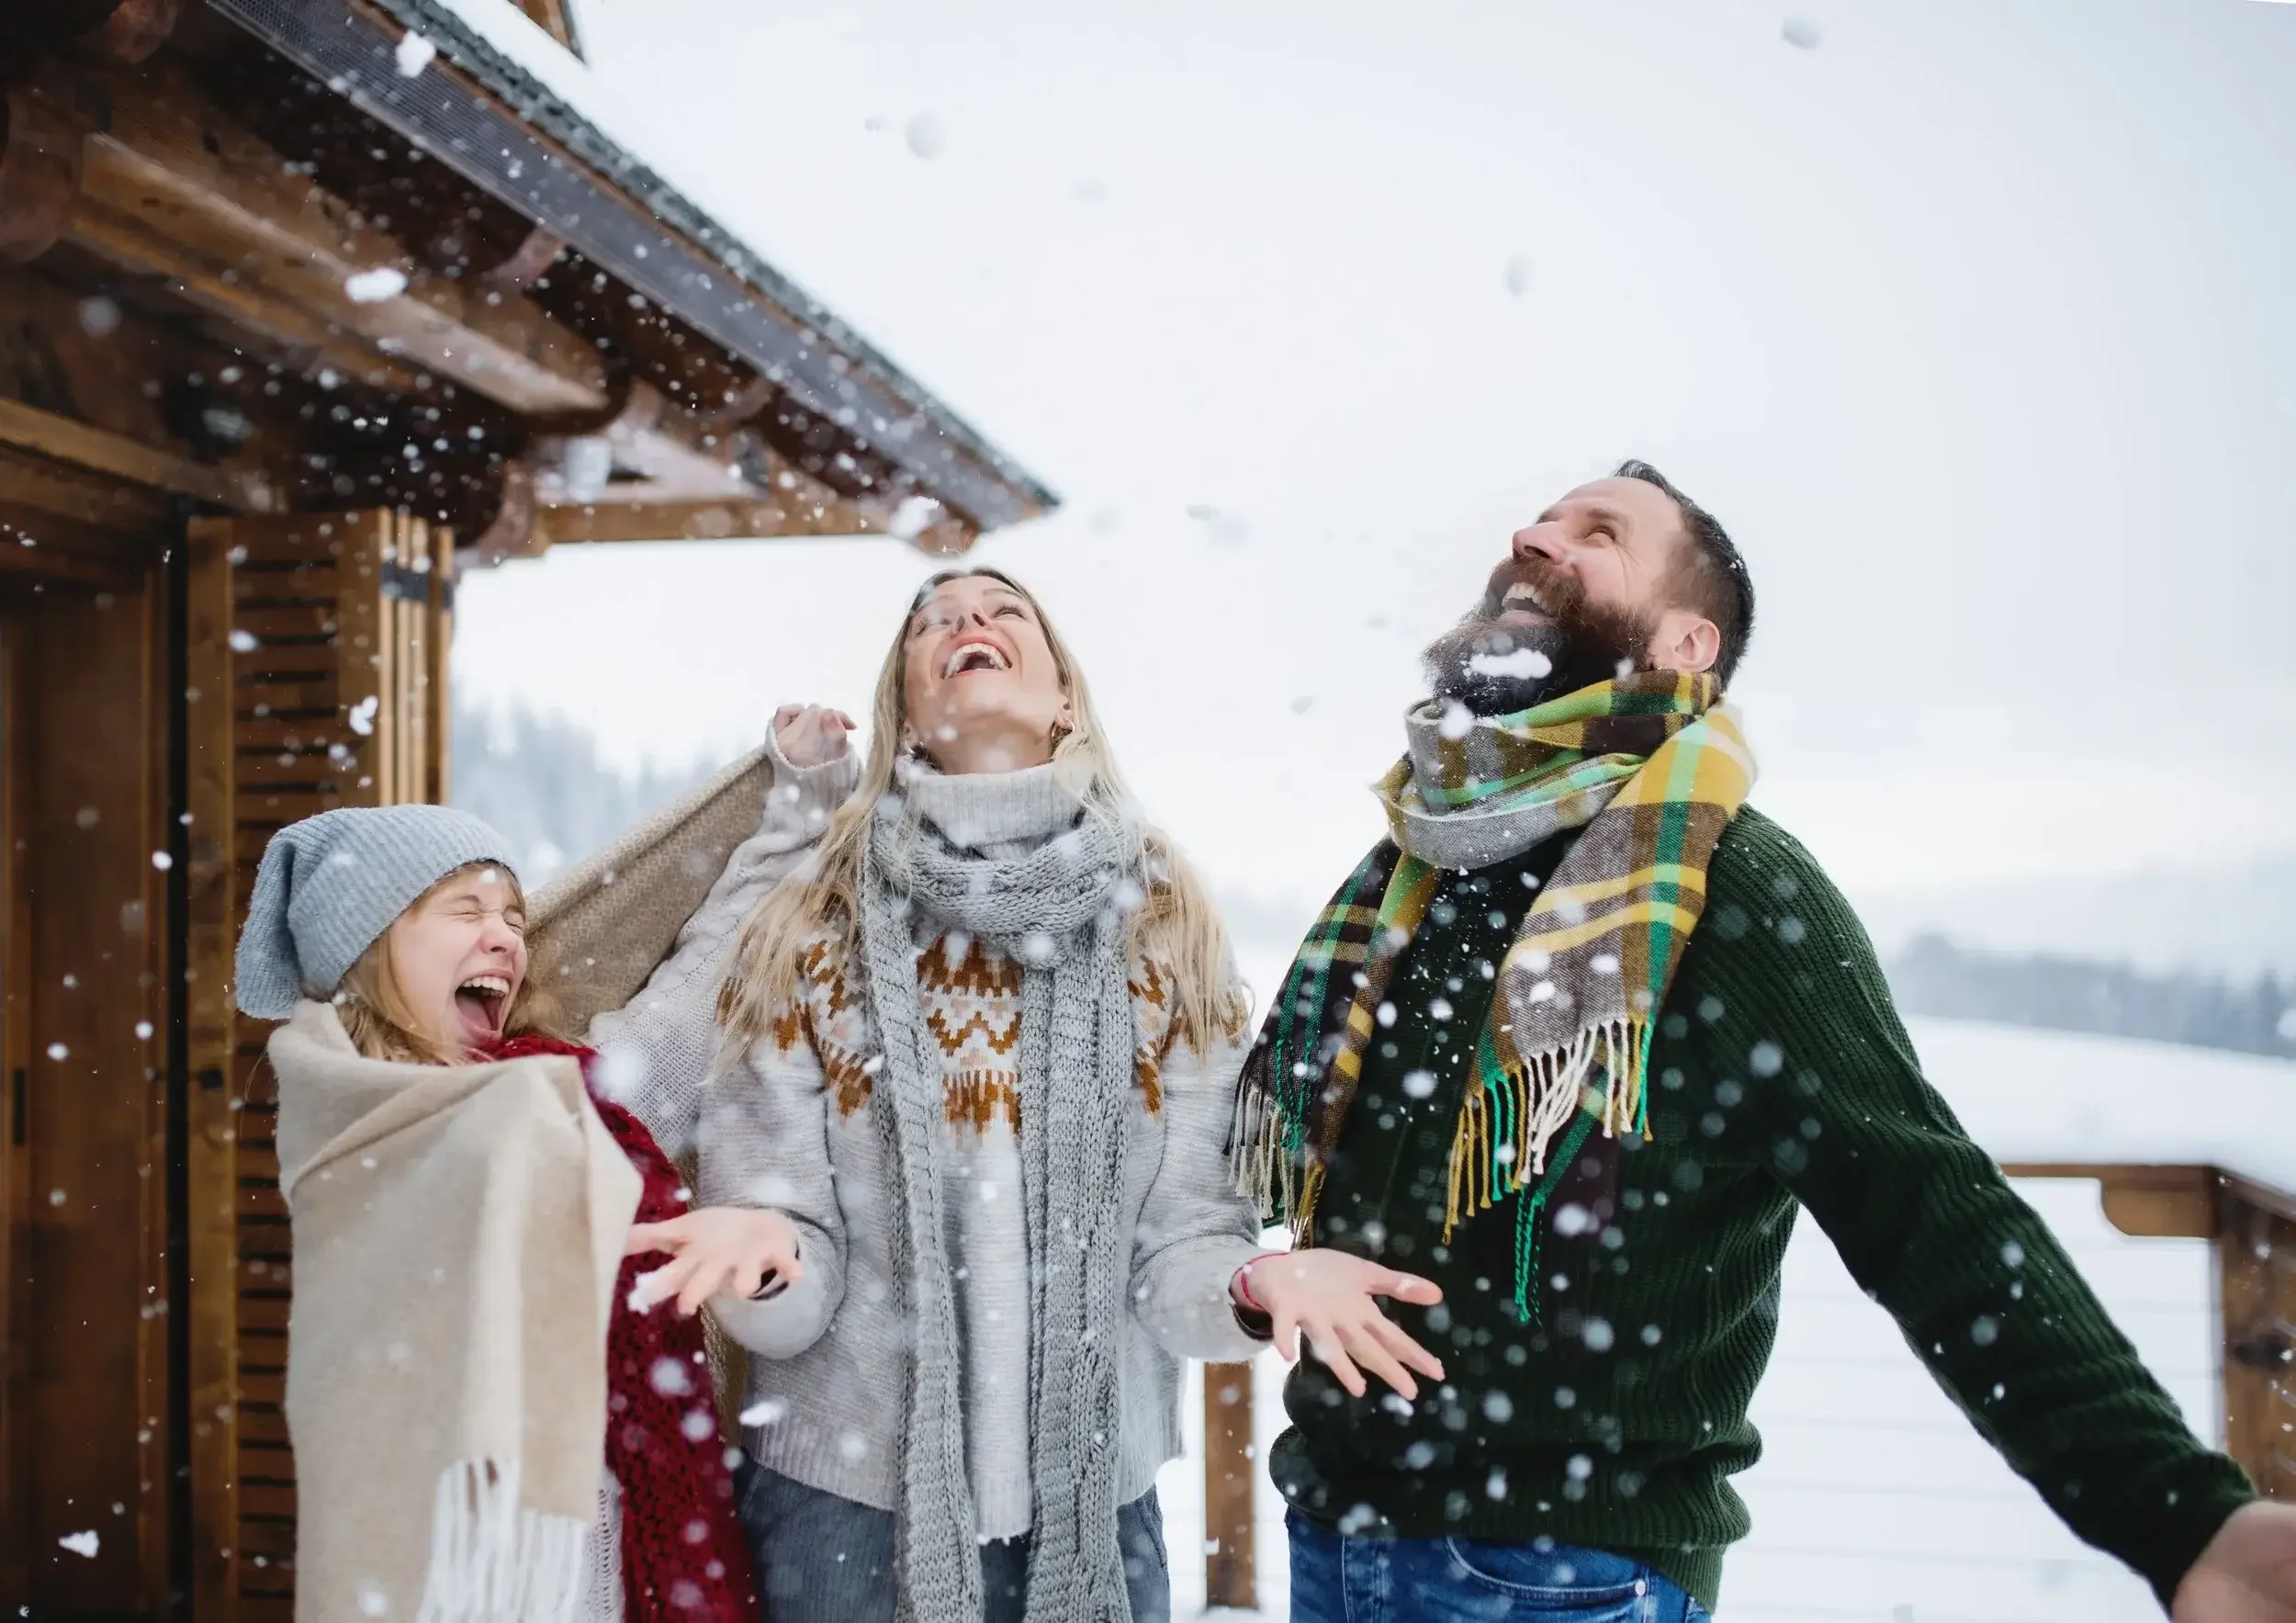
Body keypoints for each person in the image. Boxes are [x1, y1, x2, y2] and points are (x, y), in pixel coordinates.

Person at [1233, 461, 2296, 1622]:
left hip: (1556, 1575)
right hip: (1335, 1534)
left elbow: (1928, 1208)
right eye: (1539, 518)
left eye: (1599, 533)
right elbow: (1336, 1196)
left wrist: (2178, 1516)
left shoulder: (1721, 884)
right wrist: (1270, 1272)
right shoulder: (1416, 869)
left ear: (1687, 644)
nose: (1535, 536)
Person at [699, 568, 1445, 1623]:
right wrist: (763, 1261)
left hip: (1095, 1506)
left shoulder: (1164, 922)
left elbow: (1180, 1242)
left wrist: (1255, 1283)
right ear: (904, 709)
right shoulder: (805, 926)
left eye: (1007, 612)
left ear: (1064, 700)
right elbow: (788, 1282)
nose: (969, 622)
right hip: (843, 1513)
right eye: (934, 623)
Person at [232, 806, 785, 1623]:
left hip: (609, 1516)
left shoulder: (558, 1086)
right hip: (452, 1554)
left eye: (515, 918)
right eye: (465, 910)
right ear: (368, 941)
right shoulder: (345, 1125)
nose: (505, 937)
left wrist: (792, 814)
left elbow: (694, 996)